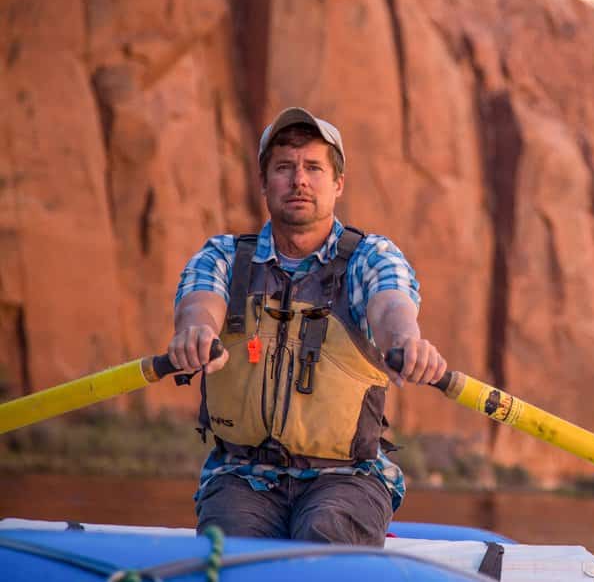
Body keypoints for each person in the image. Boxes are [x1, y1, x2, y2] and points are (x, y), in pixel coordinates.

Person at [168, 106, 446, 545]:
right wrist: (196, 331)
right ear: (264, 183)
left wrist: (406, 342)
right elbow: (200, 304)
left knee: (325, 533)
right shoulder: (223, 256)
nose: (299, 180)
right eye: (284, 168)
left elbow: (392, 306)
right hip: (241, 478)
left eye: (313, 168)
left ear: (337, 184)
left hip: (348, 479)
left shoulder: (369, 257)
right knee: (237, 545)